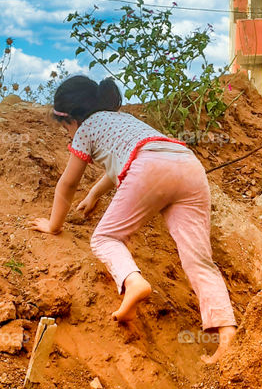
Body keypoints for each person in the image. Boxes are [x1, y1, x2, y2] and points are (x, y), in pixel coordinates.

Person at [31, 75, 237, 364]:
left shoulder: (85, 130)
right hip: (188, 166)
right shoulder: (121, 121)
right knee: (199, 259)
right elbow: (125, 158)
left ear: (70, 119)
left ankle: (133, 281)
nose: (68, 135)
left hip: (149, 168)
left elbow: (67, 183)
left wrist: (54, 225)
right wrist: (94, 194)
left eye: (65, 128)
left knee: (105, 238)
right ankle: (227, 335)